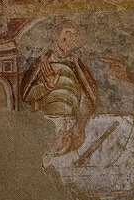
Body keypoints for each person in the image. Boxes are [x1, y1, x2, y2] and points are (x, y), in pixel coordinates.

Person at [21, 25, 98, 155]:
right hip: (46, 121)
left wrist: (80, 124)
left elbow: (88, 96)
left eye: (74, 37)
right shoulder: (42, 63)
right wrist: (47, 87)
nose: (70, 40)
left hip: (70, 122)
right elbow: (27, 95)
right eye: (67, 34)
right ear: (56, 37)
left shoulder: (77, 65)